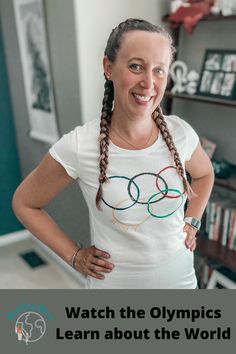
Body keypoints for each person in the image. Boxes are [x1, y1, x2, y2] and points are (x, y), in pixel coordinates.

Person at [12, 18, 214, 289]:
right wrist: (74, 256)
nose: (148, 82)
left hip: (181, 283)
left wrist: (192, 221)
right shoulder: (80, 145)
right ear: (109, 68)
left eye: (159, 70)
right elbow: (25, 203)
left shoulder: (181, 133)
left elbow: (205, 174)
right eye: (136, 66)